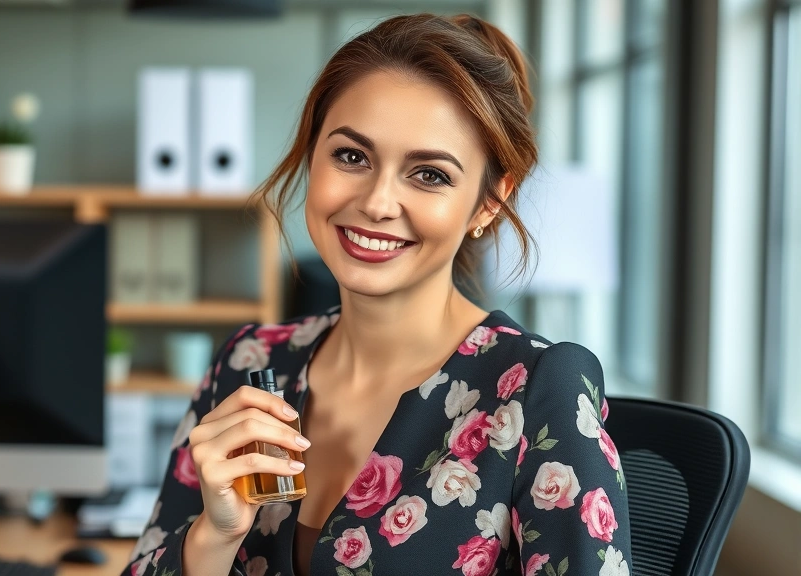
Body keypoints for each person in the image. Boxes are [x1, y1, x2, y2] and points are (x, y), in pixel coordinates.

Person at [123, 13, 632, 576]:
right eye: (351, 156)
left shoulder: (539, 388)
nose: (376, 202)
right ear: (312, 155)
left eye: (430, 174)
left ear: (489, 202)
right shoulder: (251, 360)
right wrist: (211, 539)